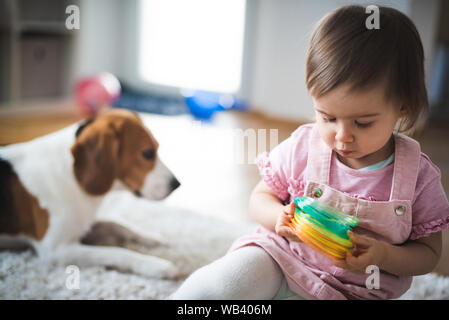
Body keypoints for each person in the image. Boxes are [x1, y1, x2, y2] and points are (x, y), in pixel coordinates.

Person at [171, 5, 449, 300]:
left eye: (363, 122)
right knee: (230, 281)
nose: (342, 135)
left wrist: (383, 255)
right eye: (328, 117)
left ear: (403, 107)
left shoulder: (417, 177)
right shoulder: (304, 147)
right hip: (281, 259)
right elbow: (260, 197)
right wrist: (278, 216)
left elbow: (428, 254)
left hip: (356, 291)